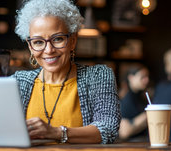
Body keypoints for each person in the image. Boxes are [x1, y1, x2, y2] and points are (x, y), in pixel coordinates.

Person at [12, 0, 120, 144]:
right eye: (38, 42)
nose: (49, 50)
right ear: (30, 46)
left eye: (57, 39)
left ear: (73, 41)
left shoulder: (98, 76)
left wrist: (55, 132)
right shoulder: (18, 82)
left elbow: (108, 129)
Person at [119, 65, 150, 142]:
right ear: (131, 78)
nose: (147, 80)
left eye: (147, 76)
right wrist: (148, 115)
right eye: (142, 77)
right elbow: (124, 132)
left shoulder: (142, 96)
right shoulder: (126, 99)